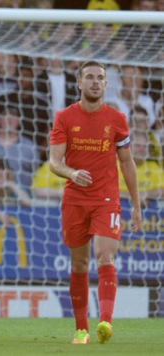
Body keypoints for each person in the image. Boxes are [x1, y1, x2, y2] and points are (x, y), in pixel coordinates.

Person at [49, 60, 142, 345]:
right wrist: (72, 173)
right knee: (79, 265)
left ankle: (106, 322)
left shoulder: (117, 119)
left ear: (105, 83)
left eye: (100, 77)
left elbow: (127, 163)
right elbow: (54, 162)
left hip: (106, 199)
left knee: (105, 257)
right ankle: (81, 329)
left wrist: (136, 205)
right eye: (89, 77)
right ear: (78, 83)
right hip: (75, 199)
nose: (95, 82)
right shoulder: (64, 117)